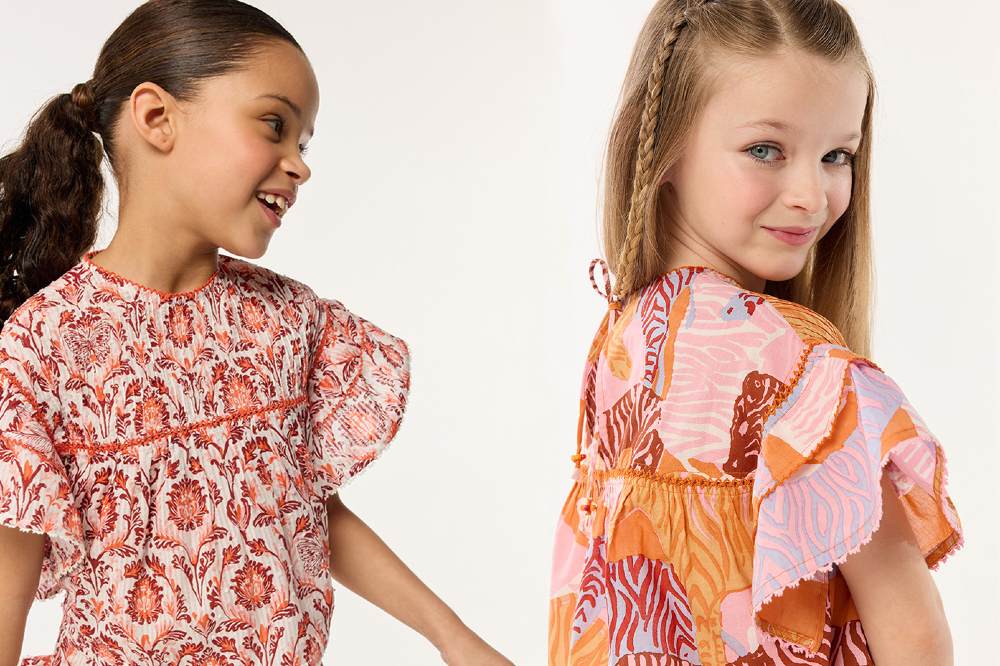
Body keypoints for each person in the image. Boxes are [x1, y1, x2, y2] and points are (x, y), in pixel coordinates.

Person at [0, 1, 512, 664]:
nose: (298, 165)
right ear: (157, 118)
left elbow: (303, 511)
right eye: (274, 125)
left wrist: (455, 640)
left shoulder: (291, 323)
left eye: (302, 143)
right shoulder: (45, 345)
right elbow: (7, 583)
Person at [548, 1, 963, 664]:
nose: (809, 192)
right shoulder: (796, 366)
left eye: (836, 155)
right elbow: (913, 635)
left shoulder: (624, 342)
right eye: (764, 150)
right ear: (662, 147)